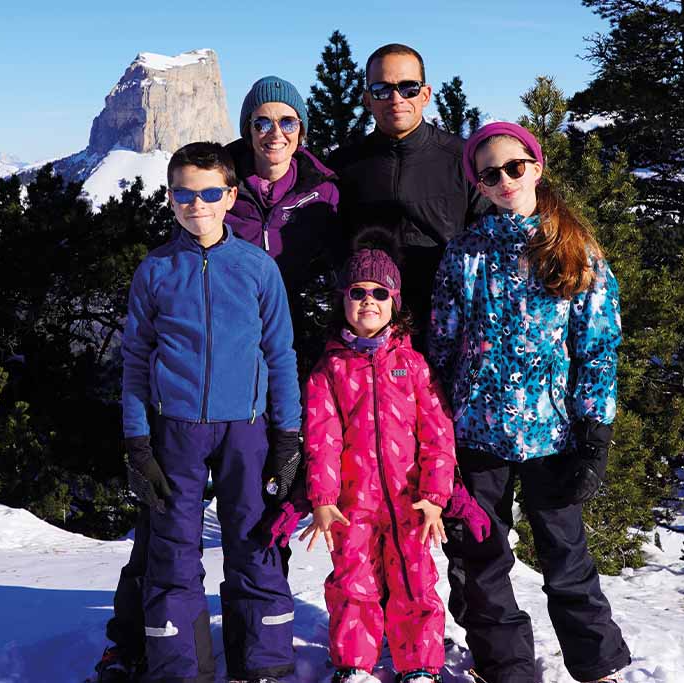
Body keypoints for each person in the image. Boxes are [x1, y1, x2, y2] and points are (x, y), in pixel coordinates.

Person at [428, 122, 631, 683]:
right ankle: (506, 667)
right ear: (480, 184)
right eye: (489, 174)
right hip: (474, 435)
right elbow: (442, 350)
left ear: (535, 167)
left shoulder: (574, 251)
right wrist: (436, 430)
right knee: (480, 561)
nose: (504, 180)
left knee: (566, 560)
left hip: (552, 435)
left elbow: (598, 348)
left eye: (514, 167)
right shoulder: (464, 254)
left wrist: (594, 434)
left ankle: (597, 666)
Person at [114, 141, 303, 683]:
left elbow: (280, 355)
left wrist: (288, 438)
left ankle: (263, 664)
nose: (196, 204)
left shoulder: (257, 267)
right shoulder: (155, 270)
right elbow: (134, 361)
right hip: (177, 431)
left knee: (256, 541)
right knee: (172, 551)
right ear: (170, 198)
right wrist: (136, 442)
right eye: (183, 194)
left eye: (209, 193)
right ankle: (179, 668)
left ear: (230, 196)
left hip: (248, 430)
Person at [299, 234, 457, 683]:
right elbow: (321, 439)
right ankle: (354, 665)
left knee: (416, 583)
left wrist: (434, 494)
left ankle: (420, 665)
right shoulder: (329, 370)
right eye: (357, 292)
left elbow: (437, 433)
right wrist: (324, 498)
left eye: (380, 292)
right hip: (353, 506)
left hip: (411, 502)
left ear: (395, 301)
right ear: (343, 300)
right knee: (353, 585)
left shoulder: (413, 365)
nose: (369, 300)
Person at [326, 43, 485, 343]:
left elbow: (494, 239)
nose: (396, 98)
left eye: (408, 88)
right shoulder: (343, 166)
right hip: (369, 330)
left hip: (449, 325)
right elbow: (330, 243)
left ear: (425, 94)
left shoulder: (463, 160)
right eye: (382, 89)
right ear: (367, 99)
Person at [224, 75, 342, 377]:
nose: (276, 133)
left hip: (301, 336)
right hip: (232, 334)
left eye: (288, 122)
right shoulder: (219, 188)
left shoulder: (323, 190)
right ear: (248, 131)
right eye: (262, 123)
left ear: (300, 129)